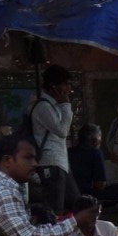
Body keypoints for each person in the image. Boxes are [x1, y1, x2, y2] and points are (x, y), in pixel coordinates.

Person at [28, 66, 77, 216]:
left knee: (75, 203)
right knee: (54, 210)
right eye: (66, 84)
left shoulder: (55, 106)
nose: (69, 88)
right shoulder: (43, 107)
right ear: (54, 86)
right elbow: (62, 131)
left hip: (61, 164)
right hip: (50, 163)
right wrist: (66, 104)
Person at [68, 121, 109, 203]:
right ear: (94, 141)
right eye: (100, 140)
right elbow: (100, 184)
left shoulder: (68, 152)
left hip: (69, 194)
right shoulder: (96, 153)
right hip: (87, 195)